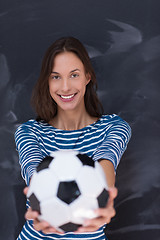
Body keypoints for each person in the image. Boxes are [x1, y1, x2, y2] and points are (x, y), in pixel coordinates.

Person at [15, 36, 131, 240]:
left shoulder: (114, 127)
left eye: (74, 75)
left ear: (87, 76)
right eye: (56, 77)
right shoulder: (29, 131)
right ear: (47, 81)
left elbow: (107, 162)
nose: (66, 87)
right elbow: (33, 169)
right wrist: (40, 209)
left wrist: (106, 201)